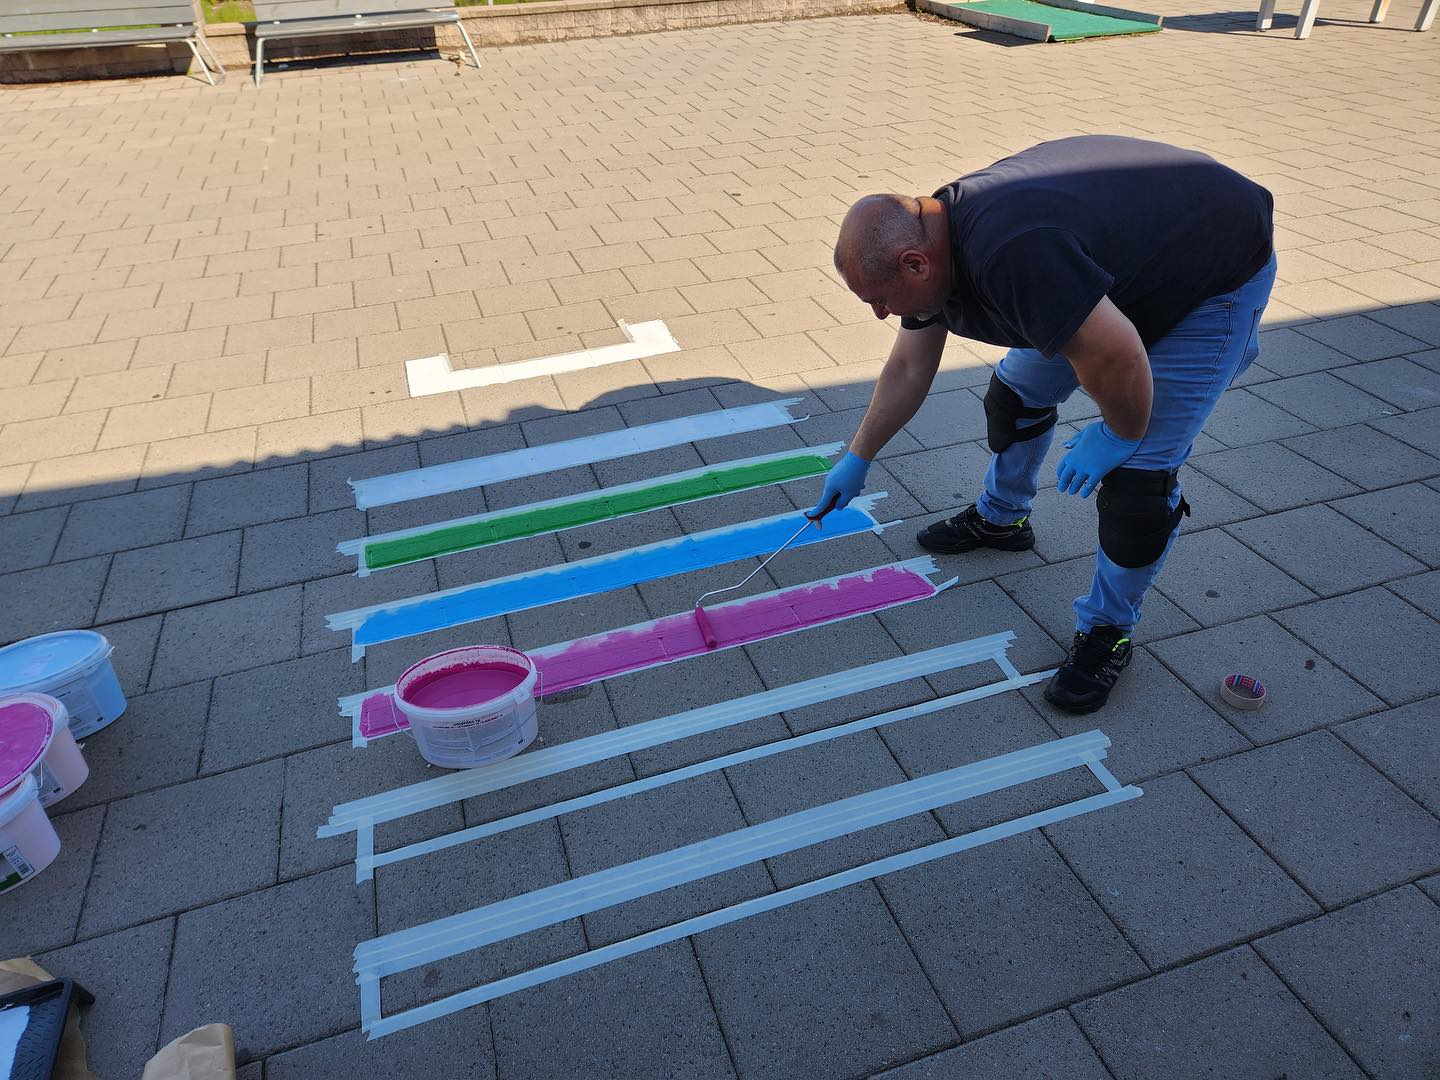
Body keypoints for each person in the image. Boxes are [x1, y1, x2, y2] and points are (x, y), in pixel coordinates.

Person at [810, 134, 1275, 714]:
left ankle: (1108, 630)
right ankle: (1001, 520)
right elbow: (909, 366)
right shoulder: (931, 242)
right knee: (1016, 396)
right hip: (1115, 268)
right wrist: (859, 456)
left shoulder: (1013, 255)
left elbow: (1118, 354)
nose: (882, 313)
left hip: (1212, 271)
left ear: (915, 263)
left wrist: (1118, 434)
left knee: (1138, 484)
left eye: (878, 300)